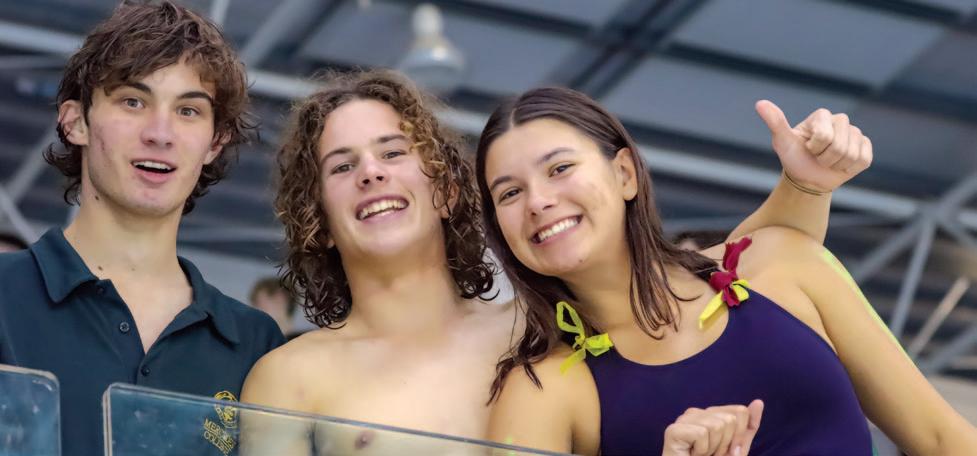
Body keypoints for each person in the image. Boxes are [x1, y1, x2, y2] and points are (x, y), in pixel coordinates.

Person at [241, 69, 866, 455]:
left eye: (393, 152)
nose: (371, 173)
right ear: (315, 216)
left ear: (449, 189)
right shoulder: (290, 377)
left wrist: (804, 186)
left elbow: (712, 274)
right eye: (342, 166)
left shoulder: (551, 328)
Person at [476, 87, 977, 455]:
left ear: (625, 174)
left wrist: (807, 184)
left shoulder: (783, 261)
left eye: (560, 168)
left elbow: (943, 439)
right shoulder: (542, 389)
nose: (538, 201)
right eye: (510, 193)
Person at [0, 3, 284, 456]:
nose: (160, 133)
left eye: (188, 111)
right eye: (133, 101)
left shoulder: (254, 344)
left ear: (215, 142)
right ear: (75, 121)